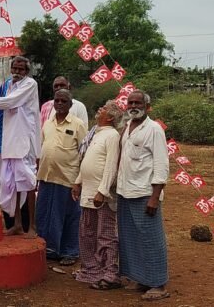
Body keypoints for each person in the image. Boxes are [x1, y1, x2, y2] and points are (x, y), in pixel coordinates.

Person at [0, 56, 40, 237]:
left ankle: (32, 227)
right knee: (11, 183)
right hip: (8, 141)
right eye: (14, 68)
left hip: (24, 141)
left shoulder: (30, 84)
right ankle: (17, 224)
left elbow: (9, 102)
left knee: (28, 184)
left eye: (21, 69)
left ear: (26, 71)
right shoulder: (8, 84)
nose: (17, 72)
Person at [116, 90, 170, 301]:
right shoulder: (127, 126)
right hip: (125, 191)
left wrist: (155, 197)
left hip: (145, 193)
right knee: (131, 239)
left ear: (148, 107)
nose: (133, 106)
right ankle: (141, 278)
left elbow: (161, 164)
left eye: (138, 103)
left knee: (150, 239)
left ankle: (158, 284)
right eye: (130, 103)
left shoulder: (154, 129)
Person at [72, 100, 122, 289]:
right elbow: (87, 160)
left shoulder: (112, 136)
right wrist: (78, 182)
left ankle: (110, 274)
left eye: (104, 109)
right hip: (88, 192)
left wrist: (103, 191)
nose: (99, 109)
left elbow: (111, 166)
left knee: (105, 234)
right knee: (87, 232)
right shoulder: (96, 133)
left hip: (102, 195)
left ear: (109, 117)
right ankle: (91, 270)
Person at [36, 89, 87, 265]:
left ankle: (70, 252)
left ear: (70, 104)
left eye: (63, 101)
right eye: (56, 101)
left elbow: (84, 152)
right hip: (46, 176)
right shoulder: (48, 123)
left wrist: (79, 181)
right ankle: (50, 249)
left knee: (69, 216)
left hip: (68, 178)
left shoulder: (78, 125)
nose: (59, 104)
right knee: (45, 215)